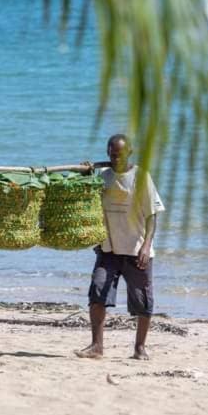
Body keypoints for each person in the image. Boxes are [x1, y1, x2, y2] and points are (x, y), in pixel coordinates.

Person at [76, 134, 165, 360]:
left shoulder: (141, 177)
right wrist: (85, 176)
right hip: (108, 250)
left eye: (120, 155)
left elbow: (152, 216)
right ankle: (97, 346)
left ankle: (140, 348)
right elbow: (85, 202)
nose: (116, 159)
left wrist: (146, 246)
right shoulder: (103, 178)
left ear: (130, 153)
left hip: (136, 251)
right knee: (97, 292)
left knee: (143, 301)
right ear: (108, 154)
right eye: (112, 155)